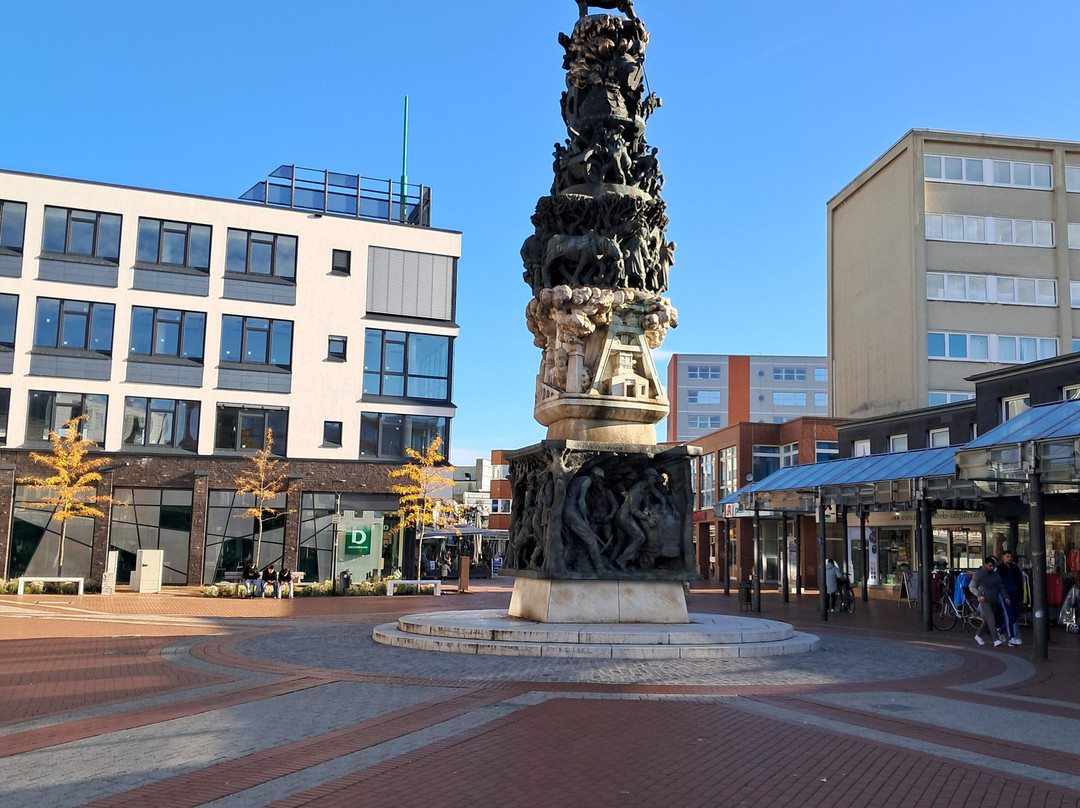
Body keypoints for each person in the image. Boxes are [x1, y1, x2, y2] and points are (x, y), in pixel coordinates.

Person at [969, 556, 1008, 647]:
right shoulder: (979, 575)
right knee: (991, 619)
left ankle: (979, 635)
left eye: (993, 566)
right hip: (985, 600)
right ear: (985, 565)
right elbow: (972, 586)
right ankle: (996, 639)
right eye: (990, 566)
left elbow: (1001, 586)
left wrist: (1006, 596)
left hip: (994, 599)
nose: (992, 567)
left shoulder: (996, 575)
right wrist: (979, 595)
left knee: (988, 620)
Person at [996, 551, 1024, 646]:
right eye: (1007, 556)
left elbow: (1020, 583)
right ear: (1003, 557)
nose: (1009, 558)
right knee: (1009, 615)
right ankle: (1012, 638)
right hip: (1005, 595)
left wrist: (1021, 596)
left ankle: (1001, 630)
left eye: (1011, 556)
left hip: (1015, 594)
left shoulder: (1015, 569)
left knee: (1015, 616)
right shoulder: (999, 569)